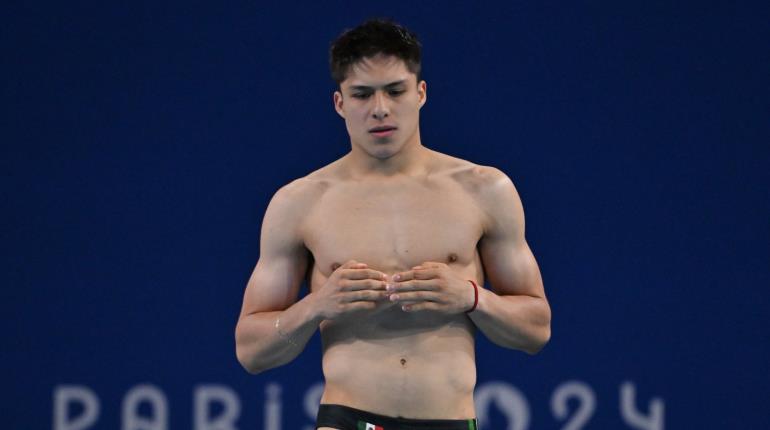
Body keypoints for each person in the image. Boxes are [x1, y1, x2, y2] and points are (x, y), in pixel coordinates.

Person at [235, 18, 551, 430]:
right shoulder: (299, 203)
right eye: (362, 94)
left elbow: (536, 329)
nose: (380, 108)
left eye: (395, 91)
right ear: (339, 103)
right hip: (347, 418)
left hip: (450, 419)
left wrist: (472, 297)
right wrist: (315, 306)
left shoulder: (484, 190)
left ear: (421, 93)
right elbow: (250, 351)